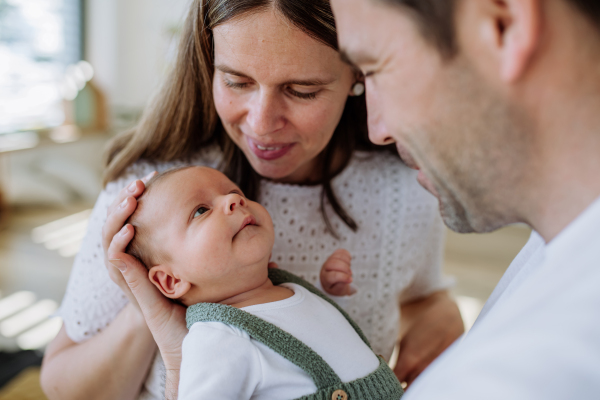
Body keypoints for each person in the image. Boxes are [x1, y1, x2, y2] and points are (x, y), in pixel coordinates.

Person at [40, 1, 464, 399]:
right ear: (208, 64)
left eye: (302, 90)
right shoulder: (151, 200)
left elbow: (421, 295)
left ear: (359, 72)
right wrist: (147, 308)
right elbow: (61, 387)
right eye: (237, 81)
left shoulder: (405, 183)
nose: (261, 123)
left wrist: (439, 312)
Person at [331, 0, 600, 398]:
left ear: (503, 25)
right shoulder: (562, 249)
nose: (377, 130)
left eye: (374, 69)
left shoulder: (525, 377)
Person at [124, 165, 403, 399]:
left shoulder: (292, 289)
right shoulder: (217, 338)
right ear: (171, 280)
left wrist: (332, 295)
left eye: (234, 192)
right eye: (200, 211)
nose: (234, 201)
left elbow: (325, 345)